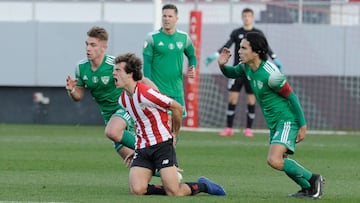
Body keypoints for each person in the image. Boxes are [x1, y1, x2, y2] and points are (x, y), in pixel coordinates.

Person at [217, 32, 324, 199]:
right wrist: (222, 65)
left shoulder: (271, 75)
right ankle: (307, 188)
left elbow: (292, 96)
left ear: (257, 51)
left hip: (287, 119)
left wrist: (302, 125)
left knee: (274, 160)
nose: (239, 51)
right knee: (281, 158)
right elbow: (231, 72)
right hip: (274, 122)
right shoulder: (246, 66)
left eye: (244, 48)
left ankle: (314, 179)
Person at [113, 52, 226, 196]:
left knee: (174, 192)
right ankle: (165, 183)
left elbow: (177, 107)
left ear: (130, 74)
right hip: (142, 149)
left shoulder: (146, 93)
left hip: (162, 146)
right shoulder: (123, 100)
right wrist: (136, 149)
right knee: (137, 190)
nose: (114, 73)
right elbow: (140, 122)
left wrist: (175, 133)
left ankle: (204, 185)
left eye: (118, 70)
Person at [65, 26, 155, 166]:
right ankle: (170, 177)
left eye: (93, 45)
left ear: (104, 47)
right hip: (109, 116)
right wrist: (71, 90)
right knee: (134, 163)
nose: (88, 48)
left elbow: (143, 80)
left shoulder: (115, 64)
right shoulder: (81, 68)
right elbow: (78, 96)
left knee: (112, 131)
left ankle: (151, 150)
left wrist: (161, 98)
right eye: (87, 44)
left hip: (126, 108)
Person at [205, 8, 283, 137]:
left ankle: (248, 129)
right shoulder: (237, 33)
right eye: (245, 16)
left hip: (252, 71)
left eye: (249, 16)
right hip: (238, 70)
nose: (247, 18)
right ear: (242, 18)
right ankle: (229, 128)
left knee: (251, 100)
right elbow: (227, 45)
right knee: (232, 99)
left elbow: (266, 48)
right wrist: (215, 55)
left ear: (252, 18)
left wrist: (275, 58)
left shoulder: (258, 33)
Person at [142, 3, 196, 130]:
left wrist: (192, 66)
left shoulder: (184, 38)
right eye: (164, 16)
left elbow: (192, 56)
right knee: (163, 126)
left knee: (175, 129)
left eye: (170, 16)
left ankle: (172, 149)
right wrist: (149, 87)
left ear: (176, 18)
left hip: (177, 90)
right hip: (158, 90)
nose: (166, 19)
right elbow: (147, 64)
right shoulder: (152, 38)